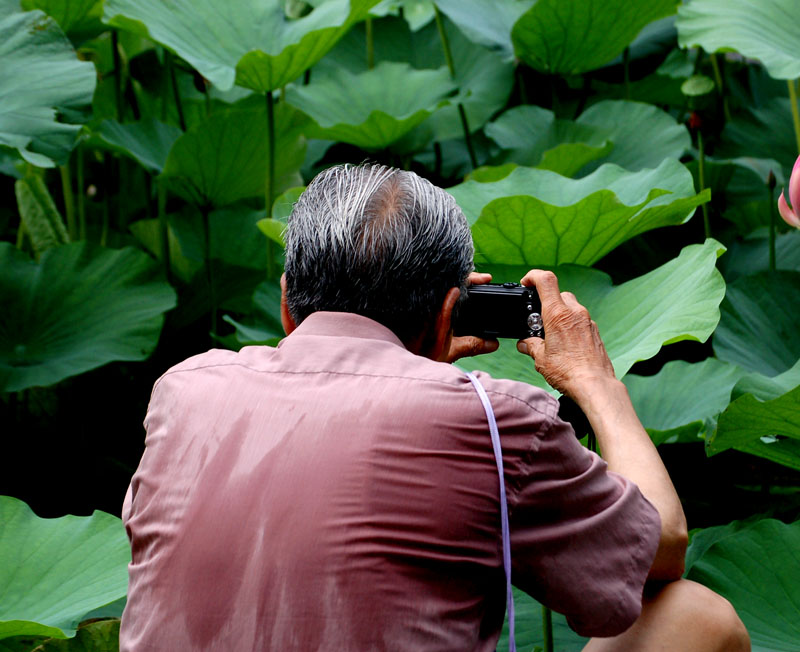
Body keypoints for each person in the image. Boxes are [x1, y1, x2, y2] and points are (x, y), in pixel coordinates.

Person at [120, 163, 750, 652]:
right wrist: (595, 382)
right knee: (697, 615)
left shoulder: (184, 391)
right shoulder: (488, 418)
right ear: (452, 312)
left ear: (287, 304)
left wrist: (413, 366)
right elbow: (662, 544)